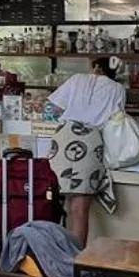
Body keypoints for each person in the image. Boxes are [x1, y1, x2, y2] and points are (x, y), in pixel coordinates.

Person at [46, 56, 126, 246]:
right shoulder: (118, 89)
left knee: (54, 200)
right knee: (80, 208)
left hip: (64, 139)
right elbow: (118, 119)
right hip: (91, 141)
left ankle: (52, 253)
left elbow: (54, 109)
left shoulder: (76, 79)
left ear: (95, 67)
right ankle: (75, 261)